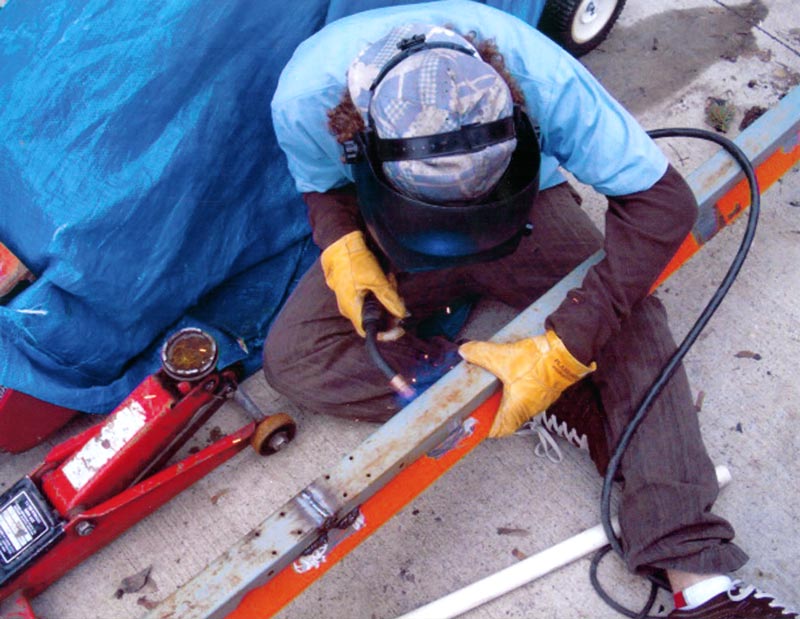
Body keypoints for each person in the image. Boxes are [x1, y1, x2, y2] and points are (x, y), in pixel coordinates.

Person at [263, 2, 797, 616]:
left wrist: (566, 343)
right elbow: (322, 185)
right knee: (296, 356)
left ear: (516, 106)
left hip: (522, 211)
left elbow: (661, 202)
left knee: (635, 319)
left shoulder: (541, 75)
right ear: (357, 136)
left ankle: (698, 580)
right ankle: (549, 400)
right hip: (400, 225)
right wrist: (343, 245)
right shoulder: (307, 97)